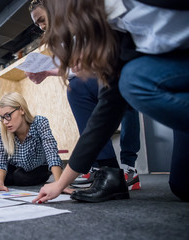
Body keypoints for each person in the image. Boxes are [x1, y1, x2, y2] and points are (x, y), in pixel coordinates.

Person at [33, 0, 189, 203]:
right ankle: (109, 172)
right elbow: (105, 113)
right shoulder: (118, 35)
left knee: (135, 79)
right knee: (183, 186)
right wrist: (61, 183)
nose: (75, 60)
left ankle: (127, 166)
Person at [27, 0, 141, 190]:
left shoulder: (89, 14)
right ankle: (104, 166)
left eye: (41, 20)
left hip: (121, 69)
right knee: (75, 87)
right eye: (37, 24)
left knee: (124, 92)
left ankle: (129, 165)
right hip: (95, 78)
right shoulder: (60, 39)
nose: (41, 27)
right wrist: (46, 71)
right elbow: (74, 70)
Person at [0, 92, 63, 193]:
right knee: (4, 178)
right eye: (2, 117)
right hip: (17, 165)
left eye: (8, 115)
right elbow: (1, 160)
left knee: (20, 177)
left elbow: (51, 152)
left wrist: (60, 184)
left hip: (39, 166)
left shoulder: (40, 122)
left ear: (21, 110)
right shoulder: (1, 130)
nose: (5, 122)